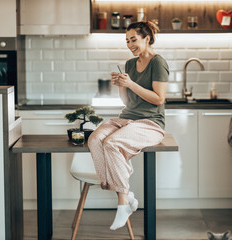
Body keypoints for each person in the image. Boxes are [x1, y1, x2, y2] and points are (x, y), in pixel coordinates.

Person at [87, 21, 169, 230]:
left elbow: (159, 99)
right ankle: (127, 194)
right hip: (127, 117)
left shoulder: (158, 63)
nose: (130, 44)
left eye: (134, 39)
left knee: (112, 144)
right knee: (95, 139)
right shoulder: (130, 64)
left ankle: (123, 204)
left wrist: (131, 83)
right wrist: (121, 85)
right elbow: (127, 102)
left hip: (150, 123)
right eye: (127, 41)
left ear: (147, 38)